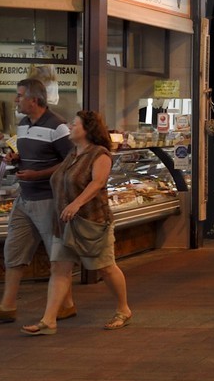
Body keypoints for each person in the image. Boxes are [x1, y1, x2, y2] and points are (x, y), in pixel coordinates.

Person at [22, 110, 133, 335]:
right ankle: (48, 320)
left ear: (87, 129)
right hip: (64, 223)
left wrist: (76, 204)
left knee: (105, 267)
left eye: (75, 124)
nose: (70, 127)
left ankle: (123, 309)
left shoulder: (99, 154)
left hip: (92, 222)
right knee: (59, 268)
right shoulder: (73, 153)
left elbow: (98, 182)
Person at [0, 78, 75, 323]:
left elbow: (71, 162)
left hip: (47, 199)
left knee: (57, 255)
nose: (15, 100)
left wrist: (38, 174)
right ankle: (8, 306)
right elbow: (31, 155)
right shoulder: (23, 124)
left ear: (34, 100)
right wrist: (16, 158)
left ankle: (67, 304)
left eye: (19, 96)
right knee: (14, 249)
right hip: (24, 197)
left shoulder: (58, 127)